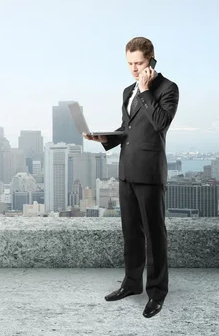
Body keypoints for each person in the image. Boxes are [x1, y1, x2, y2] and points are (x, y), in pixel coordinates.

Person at [84, 36, 179, 318]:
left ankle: (157, 292)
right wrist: (105, 138)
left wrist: (147, 90)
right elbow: (128, 128)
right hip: (126, 171)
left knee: (154, 235)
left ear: (151, 59)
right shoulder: (128, 90)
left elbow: (161, 124)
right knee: (131, 233)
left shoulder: (167, 88)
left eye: (139, 63)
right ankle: (132, 283)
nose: (135, 69)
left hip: (149, 172)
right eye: (130, 64)